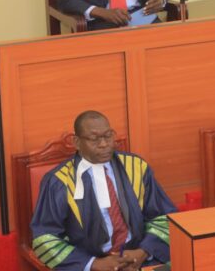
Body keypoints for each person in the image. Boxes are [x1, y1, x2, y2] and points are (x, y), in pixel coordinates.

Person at [31, 111, 175, 270]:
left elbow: (164, 217)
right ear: (77, 142)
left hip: (141, 259)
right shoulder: (59, 181)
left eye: (108, 136)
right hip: (88, 264)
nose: (104, 144)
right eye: (94, 139)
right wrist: (92, 264)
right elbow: (44, 238)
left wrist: (143, 251)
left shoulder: (136, 167)